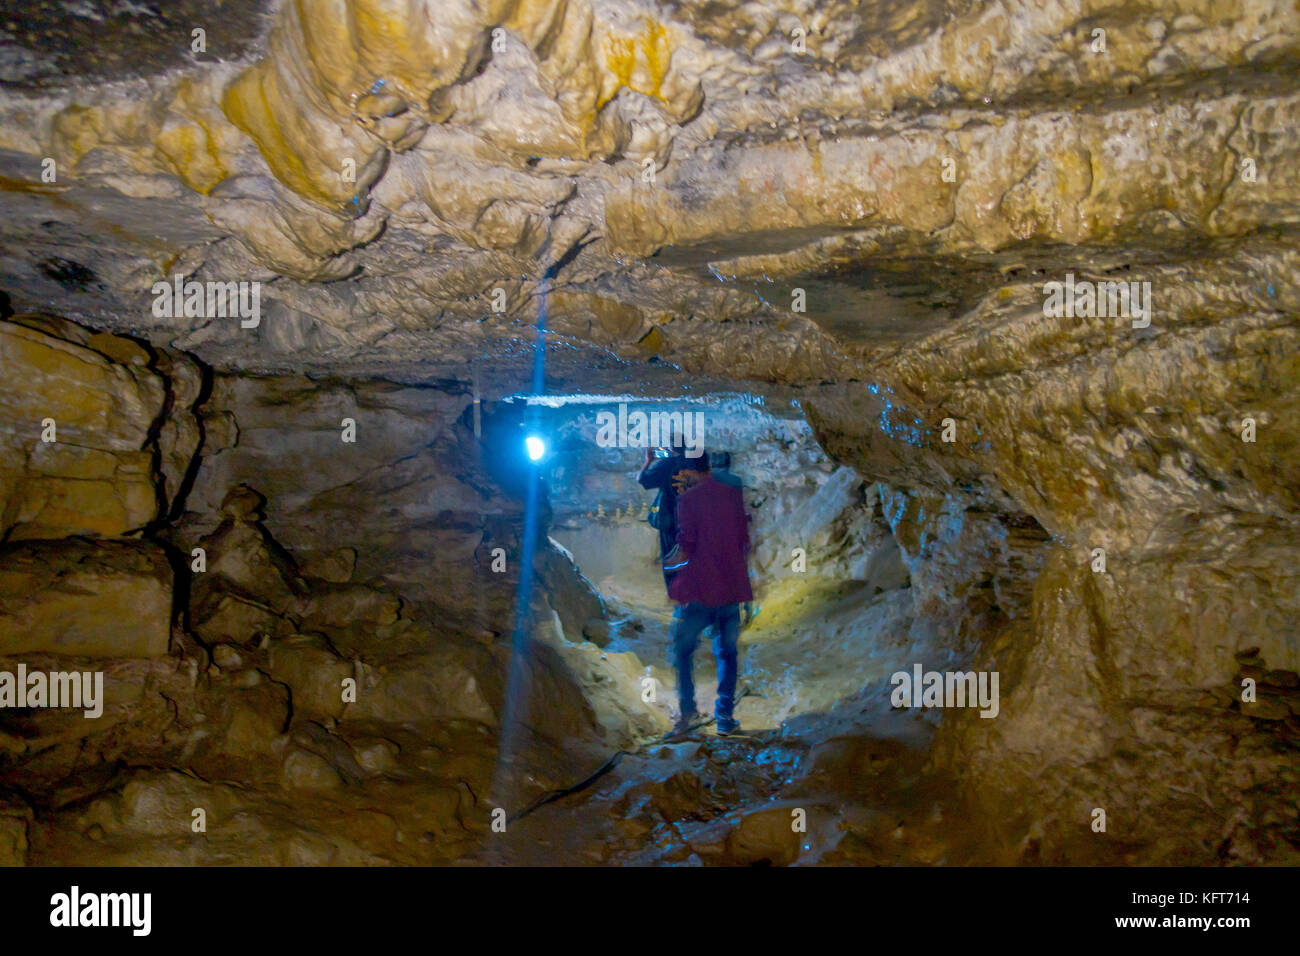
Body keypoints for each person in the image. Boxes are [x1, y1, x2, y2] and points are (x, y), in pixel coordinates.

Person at [665, 452, 753, 737]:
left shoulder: (688, 500)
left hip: (701, 591)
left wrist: (670, 565)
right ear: (710, 466)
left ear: (689, 473)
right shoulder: (732, 494)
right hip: (730, 589)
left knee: (682, 649)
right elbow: (744, 540)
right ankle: (725, 717)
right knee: (727, 653)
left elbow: (686, 545)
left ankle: (688, 713)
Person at [637, 442, 700, 594]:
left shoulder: (665, 464)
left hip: (669, 518)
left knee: (671, 557)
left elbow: (643, 480)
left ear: (671, 447)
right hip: (692, 517)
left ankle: (678, 595)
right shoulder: (694, 463)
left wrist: (648, 461)